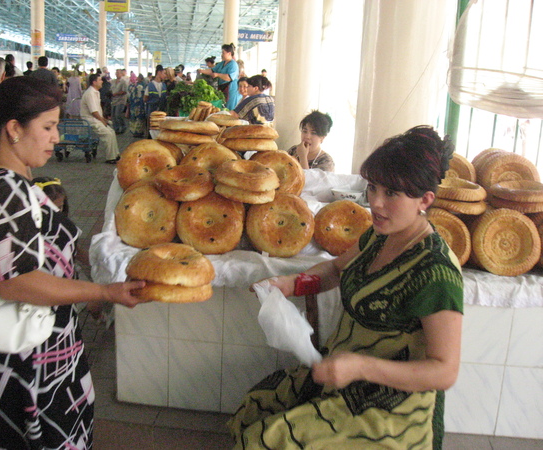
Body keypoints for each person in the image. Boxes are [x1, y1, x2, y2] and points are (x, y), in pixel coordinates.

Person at [228, 125, 462, 450]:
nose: (376, 203)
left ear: (425, 199)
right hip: (341, 373)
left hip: (389, 405)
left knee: (266, 441)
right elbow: (336, 270)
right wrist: (292, 284)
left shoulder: (435, 271)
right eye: (374, 188)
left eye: (392, 193)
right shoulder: (380, 237)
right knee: (254, 407)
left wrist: (361, 366)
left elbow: (444, 371)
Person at [0, 75, 147, 448]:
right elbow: (15, 281)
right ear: (13, 129)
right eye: (48, 127)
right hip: (23, 364)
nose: (57, 137)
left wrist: (83, 293)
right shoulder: (4, 190)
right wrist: (104, 291)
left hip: (32, 350)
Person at [81, 73, 121, 163]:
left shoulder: (95, 92)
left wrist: (104, 119)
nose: (102, 81)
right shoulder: (90, 93)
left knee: (112, 132)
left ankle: (115, 154)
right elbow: (94, 111)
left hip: (96, 119)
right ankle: (110, 157)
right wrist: (102, 120)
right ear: (94, 82)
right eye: (100, 80)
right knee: (108, 134)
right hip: (91, 120)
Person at [197, 44, 241, 110]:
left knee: (230, 107)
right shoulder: (222, 63)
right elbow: (212, 70)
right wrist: (202, 71)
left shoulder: (233, 64)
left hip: (231, 89)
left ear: (229, 53)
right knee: (223, 106)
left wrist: (218, 75)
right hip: (223, 87)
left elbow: (229, 77)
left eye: (223, 53)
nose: (222, 54)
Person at [110, 69, 129, 134]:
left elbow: (124, 91)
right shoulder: (113, 81)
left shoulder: (123, 81)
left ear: (121, 74)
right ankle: (116, 129)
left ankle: (123, 126)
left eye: (118, 73)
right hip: (114, 100)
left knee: (117, 115)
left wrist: (116, 94)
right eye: (116, 73)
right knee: (113, 115)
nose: (117, 74)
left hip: (121, 100)